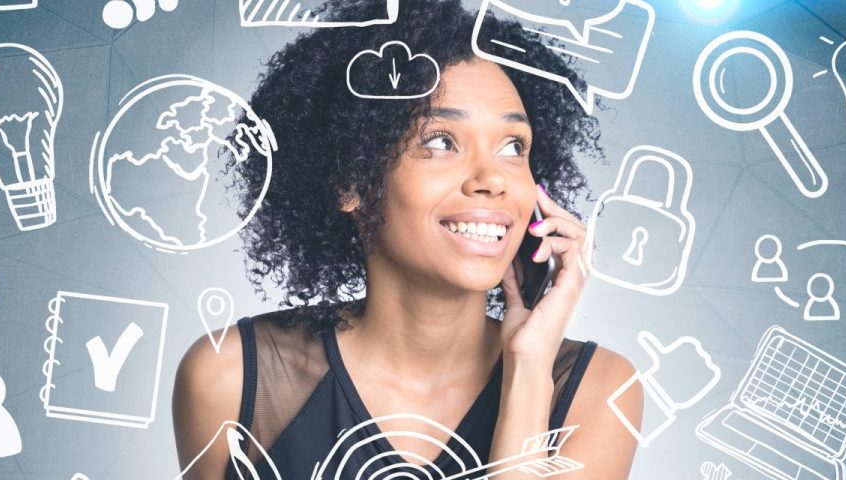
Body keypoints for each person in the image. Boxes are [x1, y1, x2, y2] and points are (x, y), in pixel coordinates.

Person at [172, 1, 641, 478]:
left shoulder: (596, 389)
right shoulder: (233, 380)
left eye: (512, 147)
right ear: (351, 181)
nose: (492, 179)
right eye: (440, 141)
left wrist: (528, 373)